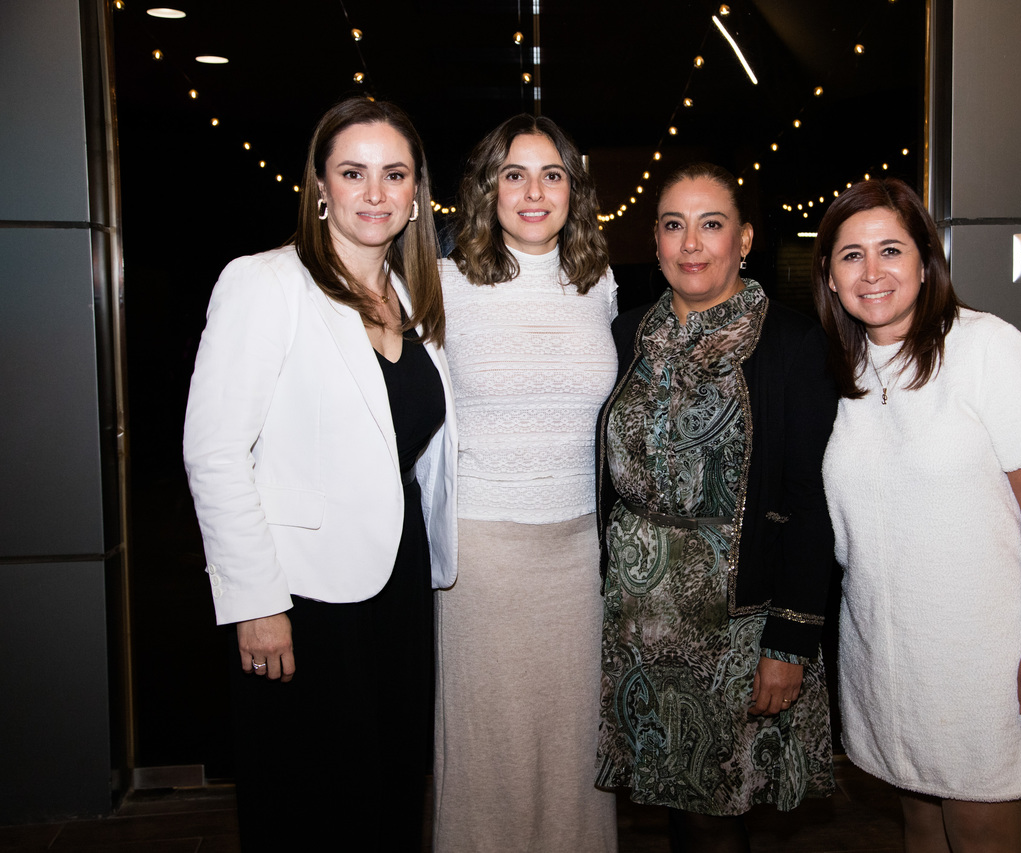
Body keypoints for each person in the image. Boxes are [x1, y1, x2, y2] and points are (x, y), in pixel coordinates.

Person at [182, 97, 456, 851]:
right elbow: (213, 452)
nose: (375, 192)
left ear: (415, 194)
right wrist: (255, 602)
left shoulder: (414, 298)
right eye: (353, 172)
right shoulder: (266, 283)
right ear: (321, 187)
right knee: (311, 805)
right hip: (301, 594)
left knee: (390, 794)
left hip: (400, 583)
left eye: (394, 174)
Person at [813, 178, 1021, 852]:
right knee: (921, 823)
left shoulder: (989, 348)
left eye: (891, 250)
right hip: (885, 652)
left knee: (982, 832)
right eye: (851, 255)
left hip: (981, 656)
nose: (872, 272)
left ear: (926, 263)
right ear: (831, 277)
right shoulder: (844, 371)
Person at [595, 163, 838, 853]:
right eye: (674, 225)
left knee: (716, 814)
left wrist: (790, 642)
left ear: (745, 239)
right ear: (655, 240)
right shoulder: (626, 334)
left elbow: (811, 504)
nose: (692, 244)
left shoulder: (791, 342)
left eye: (712, 224)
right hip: (638, 620)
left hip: (738, 626)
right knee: (675, 803)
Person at [433, 114, 618, 853]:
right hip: (483, 553)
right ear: (489, 188)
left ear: (575, 190)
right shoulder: (442, 286)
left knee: (574, 744)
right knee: (488, 747)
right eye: (515, 174)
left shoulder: (597, 285)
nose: (534, 192)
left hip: (581, 552)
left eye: (551, 175)